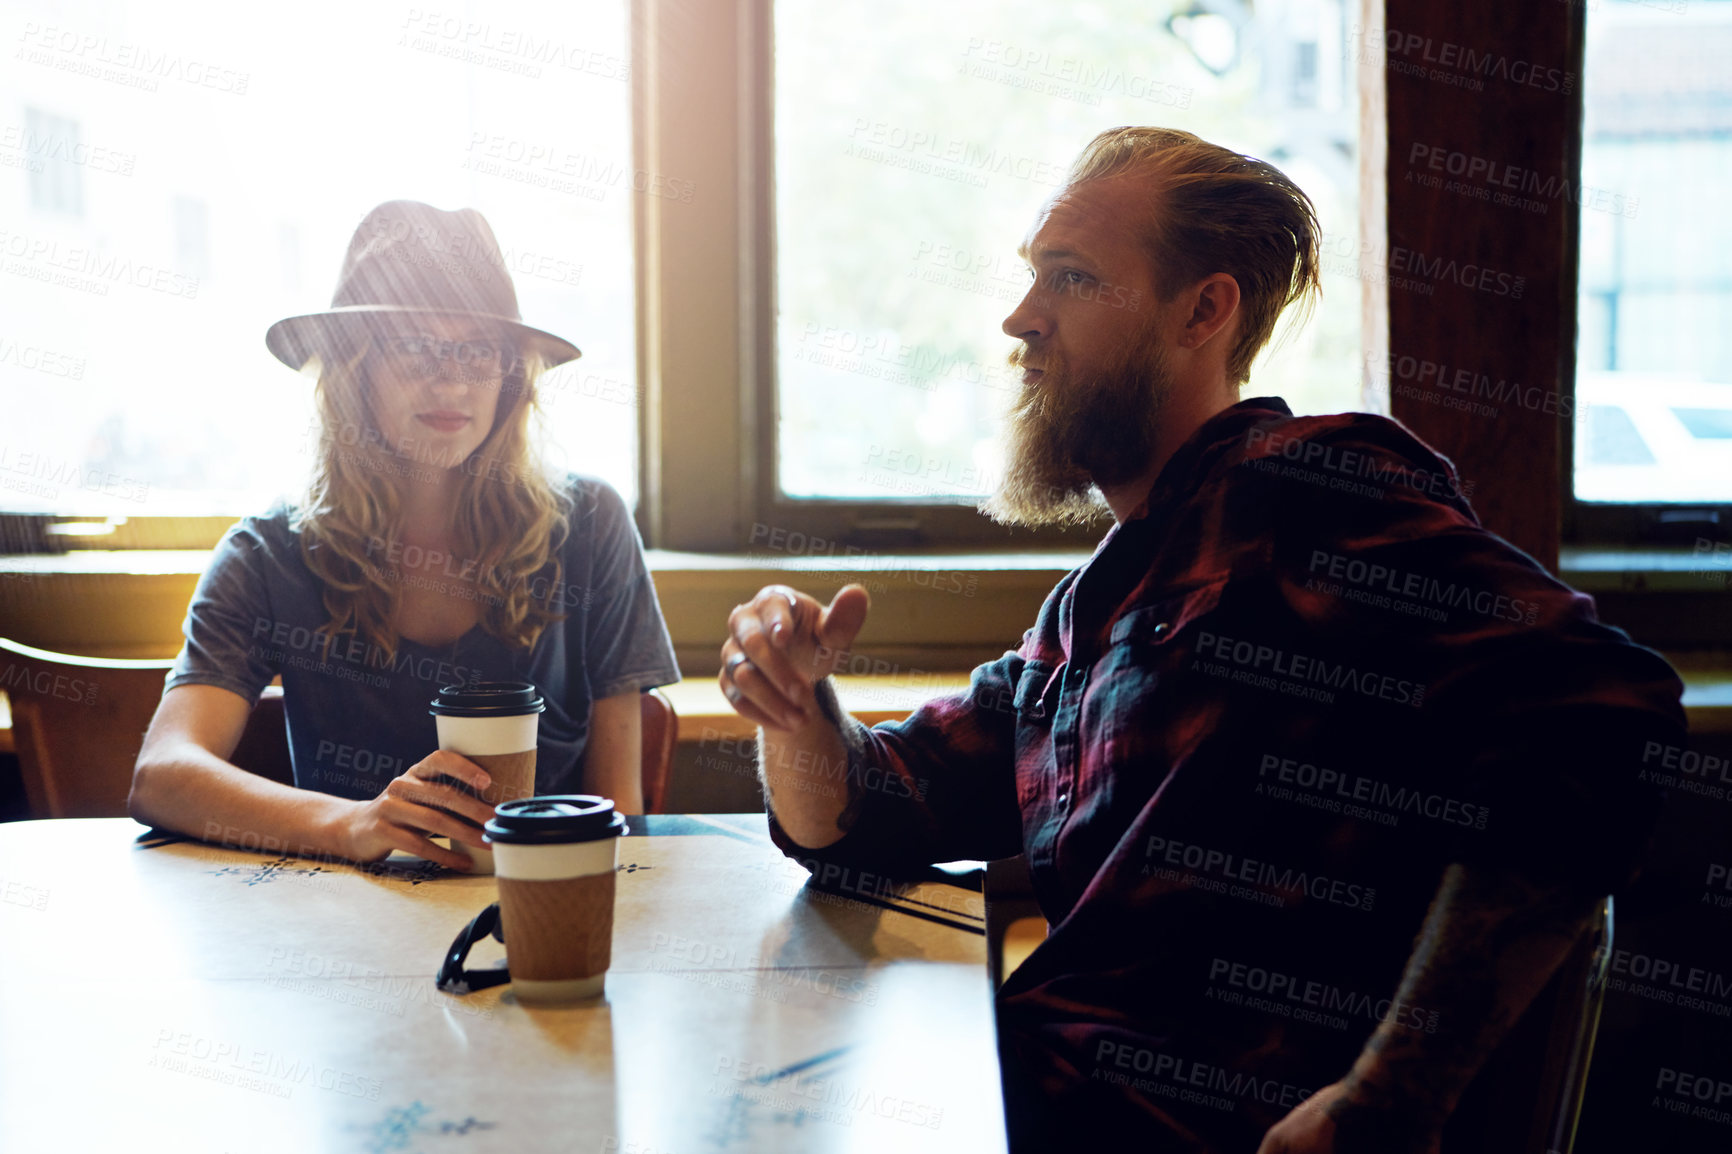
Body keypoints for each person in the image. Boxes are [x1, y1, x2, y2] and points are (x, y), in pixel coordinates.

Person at [718, 128, 1687, 1152]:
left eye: (1070, 277)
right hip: (1026, 1099)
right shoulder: (1078, 615)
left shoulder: (1312, 490)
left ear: (1203, 310)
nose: (1019, 317)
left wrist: (1386, 1098)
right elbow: (859, 815)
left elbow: (1607, 710)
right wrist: (795, 703)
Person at [130, 201, 679, 871]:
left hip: (539, 912)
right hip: (346, 928)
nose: (449, 378)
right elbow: (162, 772)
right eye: (412, 345)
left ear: (510, 377)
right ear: (353, 371)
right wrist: (354, 823)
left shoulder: (590, 526)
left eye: (476, 348)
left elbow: (618, 809)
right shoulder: (269, 552)